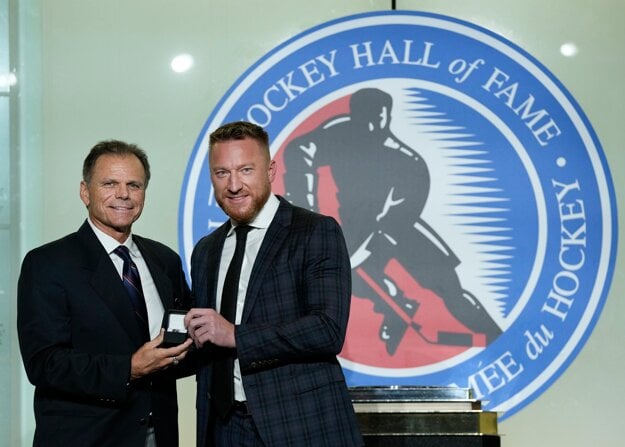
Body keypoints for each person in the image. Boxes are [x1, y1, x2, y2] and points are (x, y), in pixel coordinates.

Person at [184, 121, 363, 447]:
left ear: (270, 170)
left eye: (245, 170)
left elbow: (327, 329)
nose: (234, 185)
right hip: (222, 428)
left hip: (299, 425)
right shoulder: (206, 250)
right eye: (221, 173)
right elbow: (206, 342)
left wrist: (235, 335)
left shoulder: (315, 231)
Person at [17, 140, 193, 447]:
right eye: (110, 183)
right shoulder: (47, 263)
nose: (123, 194)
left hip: (158, 434)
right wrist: (129, 368)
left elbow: (183, 342)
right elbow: (44, 363)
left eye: (134, 185)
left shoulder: (165, 261)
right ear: (85, 192)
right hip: (86, 438)